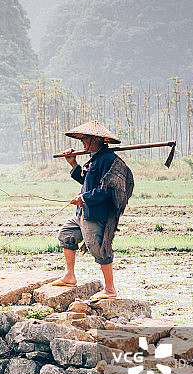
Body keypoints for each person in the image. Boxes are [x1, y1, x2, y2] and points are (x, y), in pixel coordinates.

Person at [53, 120, 134, 301]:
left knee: (98, 248)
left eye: (85, 139)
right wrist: (73, 164)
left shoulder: (107, 159)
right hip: (82, 212)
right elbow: (87, 182)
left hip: (95, 214)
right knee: (66, 234)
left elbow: (106, 190)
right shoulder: (95, 158)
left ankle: (110, 289)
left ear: (96, 139)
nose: (82, 142)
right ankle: (70, 276)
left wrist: (84, 198)